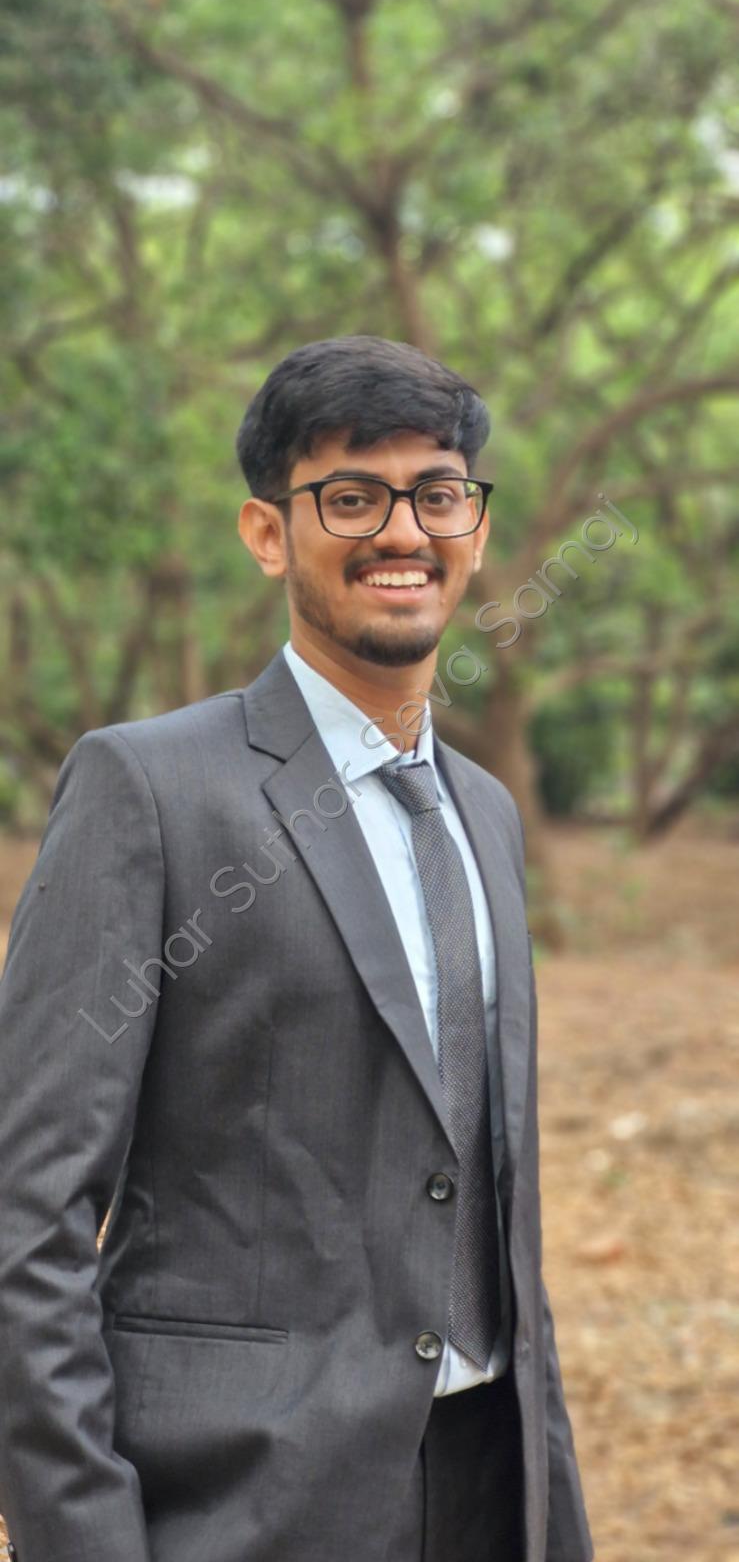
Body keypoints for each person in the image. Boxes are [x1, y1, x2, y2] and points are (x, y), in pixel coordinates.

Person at [0, 335, 593, 1562]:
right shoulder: (150, 789)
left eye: (436, 494)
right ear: (267, 533)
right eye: (351, 496)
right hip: (239, 1505)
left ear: (476, 528)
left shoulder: (485, 813)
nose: (402, 531)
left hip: (489, 1490)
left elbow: (491, 1205)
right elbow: (26, 1212)